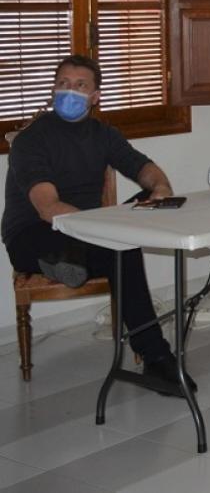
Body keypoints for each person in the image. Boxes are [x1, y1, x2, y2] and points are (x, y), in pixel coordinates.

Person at [2, 55, 192, 395]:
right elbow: (47, 207)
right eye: (62, 84)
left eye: (80, 86)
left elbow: (143, 166)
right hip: (34, 233)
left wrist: (161, 187)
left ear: (95, 96)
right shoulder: (31, 140)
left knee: (123, 242)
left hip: (86, 228)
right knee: (112, 245)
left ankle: (74, 261)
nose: (69, 92)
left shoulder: (104, 134)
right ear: (52, 90)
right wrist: (106, 227)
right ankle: (156, 356)